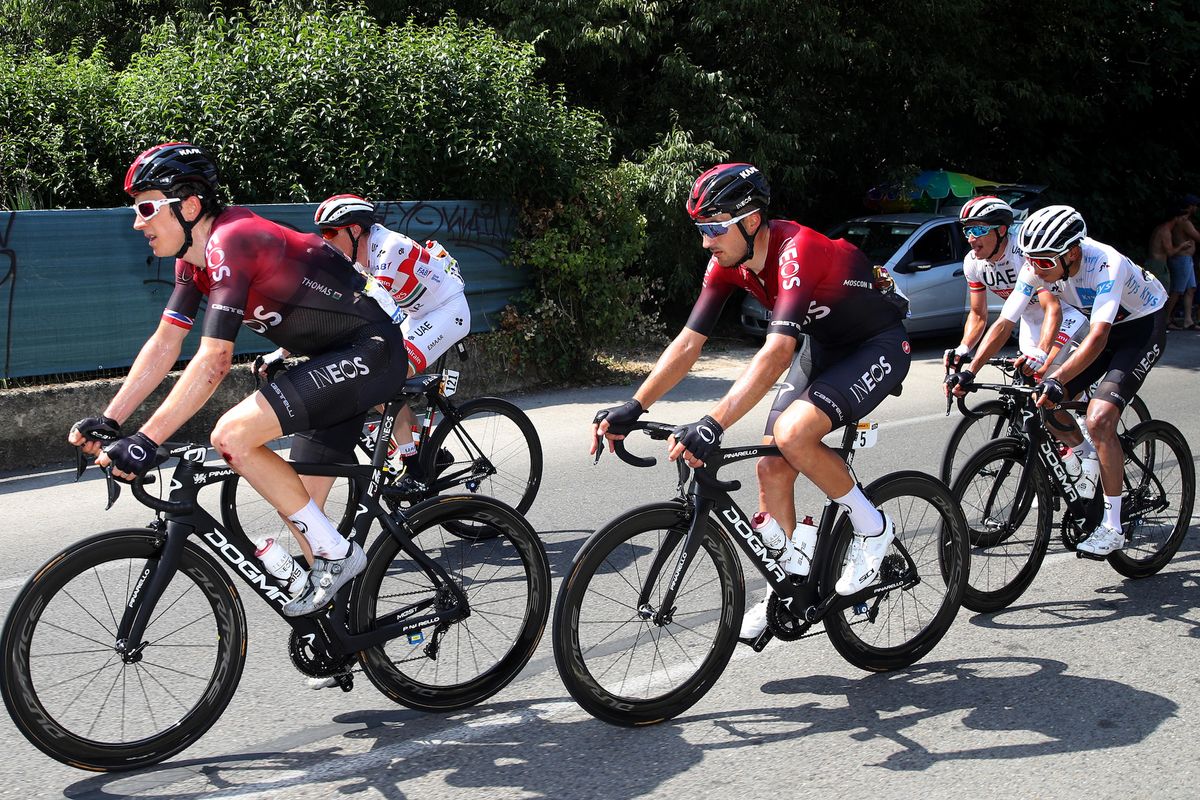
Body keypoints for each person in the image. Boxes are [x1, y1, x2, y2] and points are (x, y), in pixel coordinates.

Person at [68, 142, 410, 616]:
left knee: (232, 436)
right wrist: (110, 419)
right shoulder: (193, 261)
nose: (137, 222)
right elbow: (166, 344)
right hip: (328, 360)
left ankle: (341, 557)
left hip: (370, 351)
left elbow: (213, 362)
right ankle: (342, 637)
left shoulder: (233, 240)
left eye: (146, 208)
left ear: (189, 206)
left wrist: (146, 439)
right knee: (301, 512)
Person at [590, 163, 912, 642]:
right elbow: (688, 342)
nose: (706, 241)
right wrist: (636, 405)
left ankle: (873, 528)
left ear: (751, 219)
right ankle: (787, 587)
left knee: (793, 434)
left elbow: (778, 351)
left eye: (715, 228)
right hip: (823, 348)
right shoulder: (725, 264)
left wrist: (713, 423)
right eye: (701, 229)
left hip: (876, 344)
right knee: (771, 467)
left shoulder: (794, 250)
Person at [947, 205, 1168, 557]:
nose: (1036, 270)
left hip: (1140, 328)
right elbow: (1004, 322)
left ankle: (1113, 527)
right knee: (1044, 401)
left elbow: (1097, 339)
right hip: (1103, 329)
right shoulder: (1039, 264)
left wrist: (1058, 377)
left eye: (1045, 263)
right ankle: (1088, 456)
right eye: (1032, 261)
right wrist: (970, 369)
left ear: (1073, 253)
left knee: (1098, 418)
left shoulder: (1107, 263)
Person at [259, 194, 470, 497]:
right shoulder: (354, 256)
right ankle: (429, 453)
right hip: (417, 314)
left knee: (385, 372)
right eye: (323, 233)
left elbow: (369, 311)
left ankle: (415, 466)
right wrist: (281, 352)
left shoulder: (389, 249)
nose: (326, 240)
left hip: (446, 311)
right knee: (373, 374)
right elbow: (323, 307)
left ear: (354, 230)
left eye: (331, 232)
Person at [944, 195, 1088, 379]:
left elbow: (1052, 307)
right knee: (1026, 386)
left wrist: (1042, 352)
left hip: (1064, 318)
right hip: (1030, 322)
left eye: (979, 229)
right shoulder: (972, 263)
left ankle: (1083, 400)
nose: (971, 239)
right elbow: (979, 314)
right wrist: (963, 348)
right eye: (967, 231)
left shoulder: (1024, 255)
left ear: (1002, 230)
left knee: (1046, 378)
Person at [1165, 194, 1200, 329]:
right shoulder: (1184, 222)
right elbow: (1197, 237)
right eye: (1195, 205)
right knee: (1177, 290)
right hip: (1181, 259)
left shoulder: (1184, 221)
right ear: (1190, 206)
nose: (1196, 208)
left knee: (1191, 288)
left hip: (1187, 259)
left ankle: (1188, 320)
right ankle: (1166, 319)